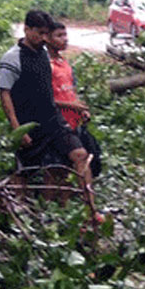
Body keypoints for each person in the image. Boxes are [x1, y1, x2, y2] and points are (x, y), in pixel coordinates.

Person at [0, 10, 100, 224]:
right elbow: (5, 95)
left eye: (47, 33)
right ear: (27, 29)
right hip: (29, 125)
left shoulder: (44, 54)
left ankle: (91, 211)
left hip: (54, 122)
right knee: (26, 173)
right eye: (40, 33)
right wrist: (17, 129)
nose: (44, 38)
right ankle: (28, 217)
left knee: (80, 155)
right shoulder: (12, 58)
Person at [47, 21, 102, 178]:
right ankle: (89, 200)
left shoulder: (63, 62)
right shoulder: (44, 65)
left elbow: (70, 90)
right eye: (59, 36)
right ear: (48, 39)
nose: (65, 39)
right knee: (80, 155)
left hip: (72, 122)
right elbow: (44, 98)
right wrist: (71, 105)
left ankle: (58, 202)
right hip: (56, 122)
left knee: (60, 168)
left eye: (65, 35)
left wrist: (81, 110)